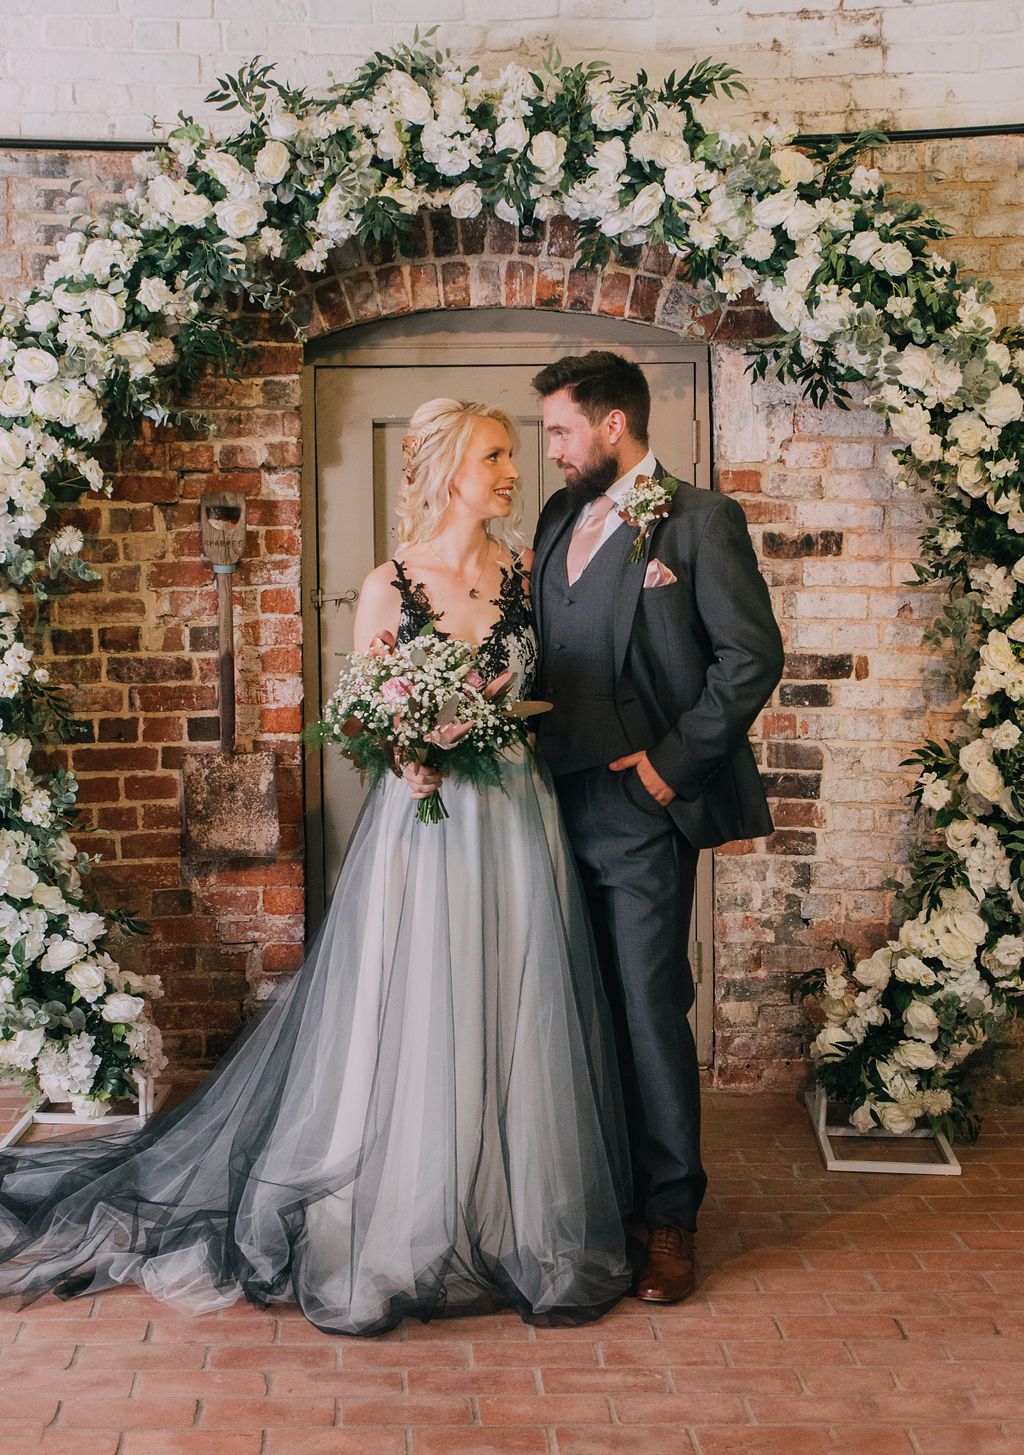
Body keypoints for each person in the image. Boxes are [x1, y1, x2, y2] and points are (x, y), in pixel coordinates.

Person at [0, 398, 635, 1336]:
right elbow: (366, 720)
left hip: (515, 816)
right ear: (452, 467)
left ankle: (509, 1210)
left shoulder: (523, 571)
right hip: (426, 826)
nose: (513, 471)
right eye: (497, 455)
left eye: (512, 454)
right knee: (420, 1002)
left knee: (514, 998)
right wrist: (408, 748)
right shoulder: (389, 584)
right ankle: (396, 1216)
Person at [531, 352, 785, 1304]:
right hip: (546, 802)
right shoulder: (559, 518)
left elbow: (750, 657)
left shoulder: (700, 519)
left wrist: (668, 766)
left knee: (646, 1010)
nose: (550, 450)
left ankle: (670, 1216)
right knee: (576, 1007)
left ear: (611, 426)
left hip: (640, 809)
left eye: (561, 429)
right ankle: (603, 1198)